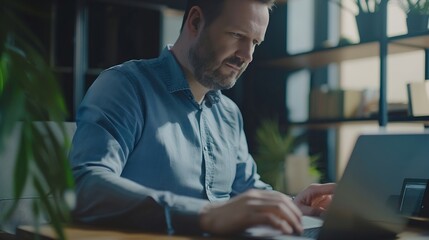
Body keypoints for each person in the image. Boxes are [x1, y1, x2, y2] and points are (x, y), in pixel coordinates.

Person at [69, 0, 335, 236]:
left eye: (255, 42)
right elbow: (84, 185)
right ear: (195, 22)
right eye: (237, 35)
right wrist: (206, 215)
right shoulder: (125, 87)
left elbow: (247, 189)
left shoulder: (229, 114)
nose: (247, 55)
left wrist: (291, 206)